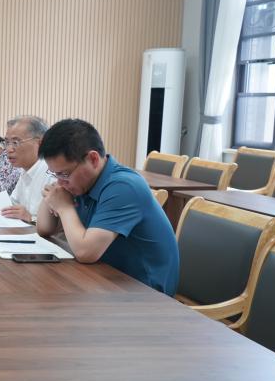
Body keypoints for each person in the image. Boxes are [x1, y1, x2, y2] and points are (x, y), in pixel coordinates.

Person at [35, 118, 179, 296]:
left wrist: (64, 208)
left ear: (93, 159)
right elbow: (44, 228)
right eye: (54, 174)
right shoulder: (82, 182)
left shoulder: (123, 186)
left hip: (146, 294)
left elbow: (85, 252)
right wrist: (53, 195)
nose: (60, 181)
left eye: (64, 173)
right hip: (107, 280)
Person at [0, 115, 55, 222]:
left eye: (15, 142)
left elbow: (59, 225)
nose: (8, 149)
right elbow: (14, 204)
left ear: (40, 143)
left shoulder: (52, 174)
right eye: (6, 143)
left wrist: (31, 218)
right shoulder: (25, 169)